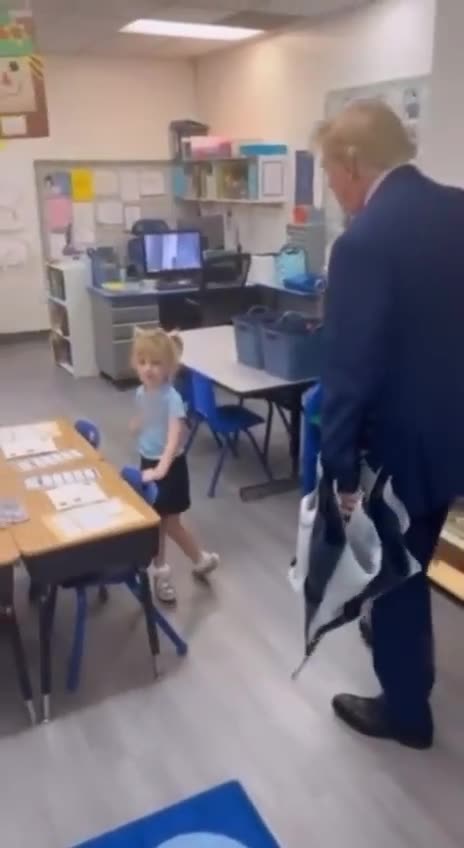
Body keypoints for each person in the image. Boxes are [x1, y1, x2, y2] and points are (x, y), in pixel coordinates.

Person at [315, 100, 464, 749]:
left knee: (397, 576)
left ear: (352, 163)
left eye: (328, 172)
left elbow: (350, 374)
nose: (331, 189)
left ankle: (407, 713)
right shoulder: (459, 208)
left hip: (408, 448)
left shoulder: (363, 243)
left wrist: (341, 470)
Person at [131, 327, 219, 604]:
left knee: (166, 523)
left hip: (170, 467)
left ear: (170, 366)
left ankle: (170, 569)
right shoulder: (141, 393)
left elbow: (173, 439)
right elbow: (145, 416)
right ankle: (190, 562)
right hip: (149, 461)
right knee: (165, 523)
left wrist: (161, 469)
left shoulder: (173, 399)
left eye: (156, 363)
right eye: (143, 362)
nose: (148, 369)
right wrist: (138, 424)